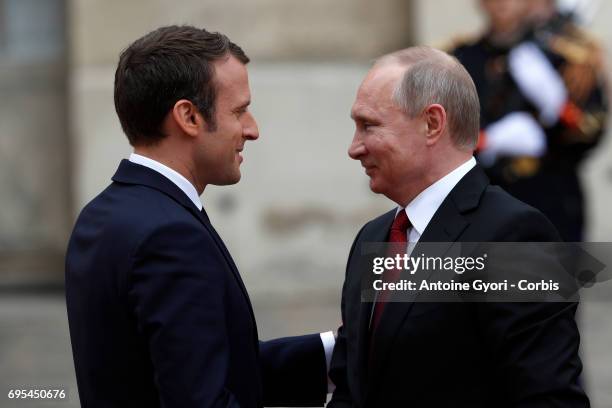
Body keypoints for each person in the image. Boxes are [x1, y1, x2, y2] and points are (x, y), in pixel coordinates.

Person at [65, 25, 333, 408]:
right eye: (239, 111)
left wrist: (338, 353)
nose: (252, 129)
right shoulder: (169, 234)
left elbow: (204, 365)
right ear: (188, 117)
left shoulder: (104, 214)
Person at [327, 46, 588, 407]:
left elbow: (546, 398)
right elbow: (352, 388)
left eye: (369, 125)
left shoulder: (517, 236)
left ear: (432, 123)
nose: (354, 148)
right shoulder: (372, 239)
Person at [447, 0, 608, 242]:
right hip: (478, 211)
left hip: (550, 206)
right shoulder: (456, 59)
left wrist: (558, 107)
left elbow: (591, 129)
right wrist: (486, 142)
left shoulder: (565, 58)